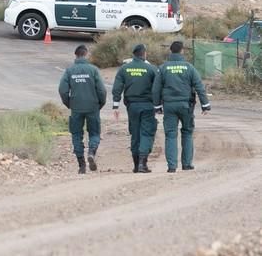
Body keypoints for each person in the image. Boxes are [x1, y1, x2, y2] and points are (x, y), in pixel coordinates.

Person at [152, 41, 211, 173]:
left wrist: (157, 106)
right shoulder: (189, 67)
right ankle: (187, 164)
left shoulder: (163, 68)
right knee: (187, 133)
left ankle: (172, 166)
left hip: (169, 106)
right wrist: (205, 105)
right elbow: (199, 87)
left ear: (170, 51)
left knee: (171, 135)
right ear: (182, 51)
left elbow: (156, 89)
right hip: (186, 106)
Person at [59, 45, 107, 174]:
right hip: (92, 107)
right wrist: (100, 104)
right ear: (86, 54)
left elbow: (62, 90)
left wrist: (69, 103)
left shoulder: (69, 71)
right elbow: (102, 90)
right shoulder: (93, 70)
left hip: (76, 108)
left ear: (76, 55)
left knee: (76, 135)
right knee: (94, 133)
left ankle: (81, 165)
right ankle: (91, 152)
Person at [111, 44, 158, 173]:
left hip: (132, 106)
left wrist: (115, 105)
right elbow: (158, 88)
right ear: (144, 54)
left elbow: (117, 88)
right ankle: (143, 163)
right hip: (148, 106)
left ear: (134, 54)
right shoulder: (151, 69)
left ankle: (136, 165)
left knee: (135, 134)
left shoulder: (124, 69)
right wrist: (159, 105)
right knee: (146, 133)